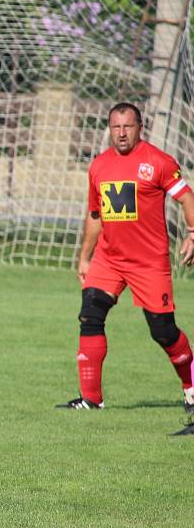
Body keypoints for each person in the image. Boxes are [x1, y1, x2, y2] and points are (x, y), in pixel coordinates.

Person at [60, 102, 194, 411]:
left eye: (127, 127)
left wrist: (191, 234)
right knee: (90, 315)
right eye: (116, 127)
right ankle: (91, 399)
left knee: (163, 331)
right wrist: (85, 257)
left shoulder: (158, 162)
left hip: (148, 262)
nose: (121, 133)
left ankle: (190, 386)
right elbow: (95, 215)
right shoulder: (99, 166)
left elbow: (186, 198)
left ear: (140, 128)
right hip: (110, 259)